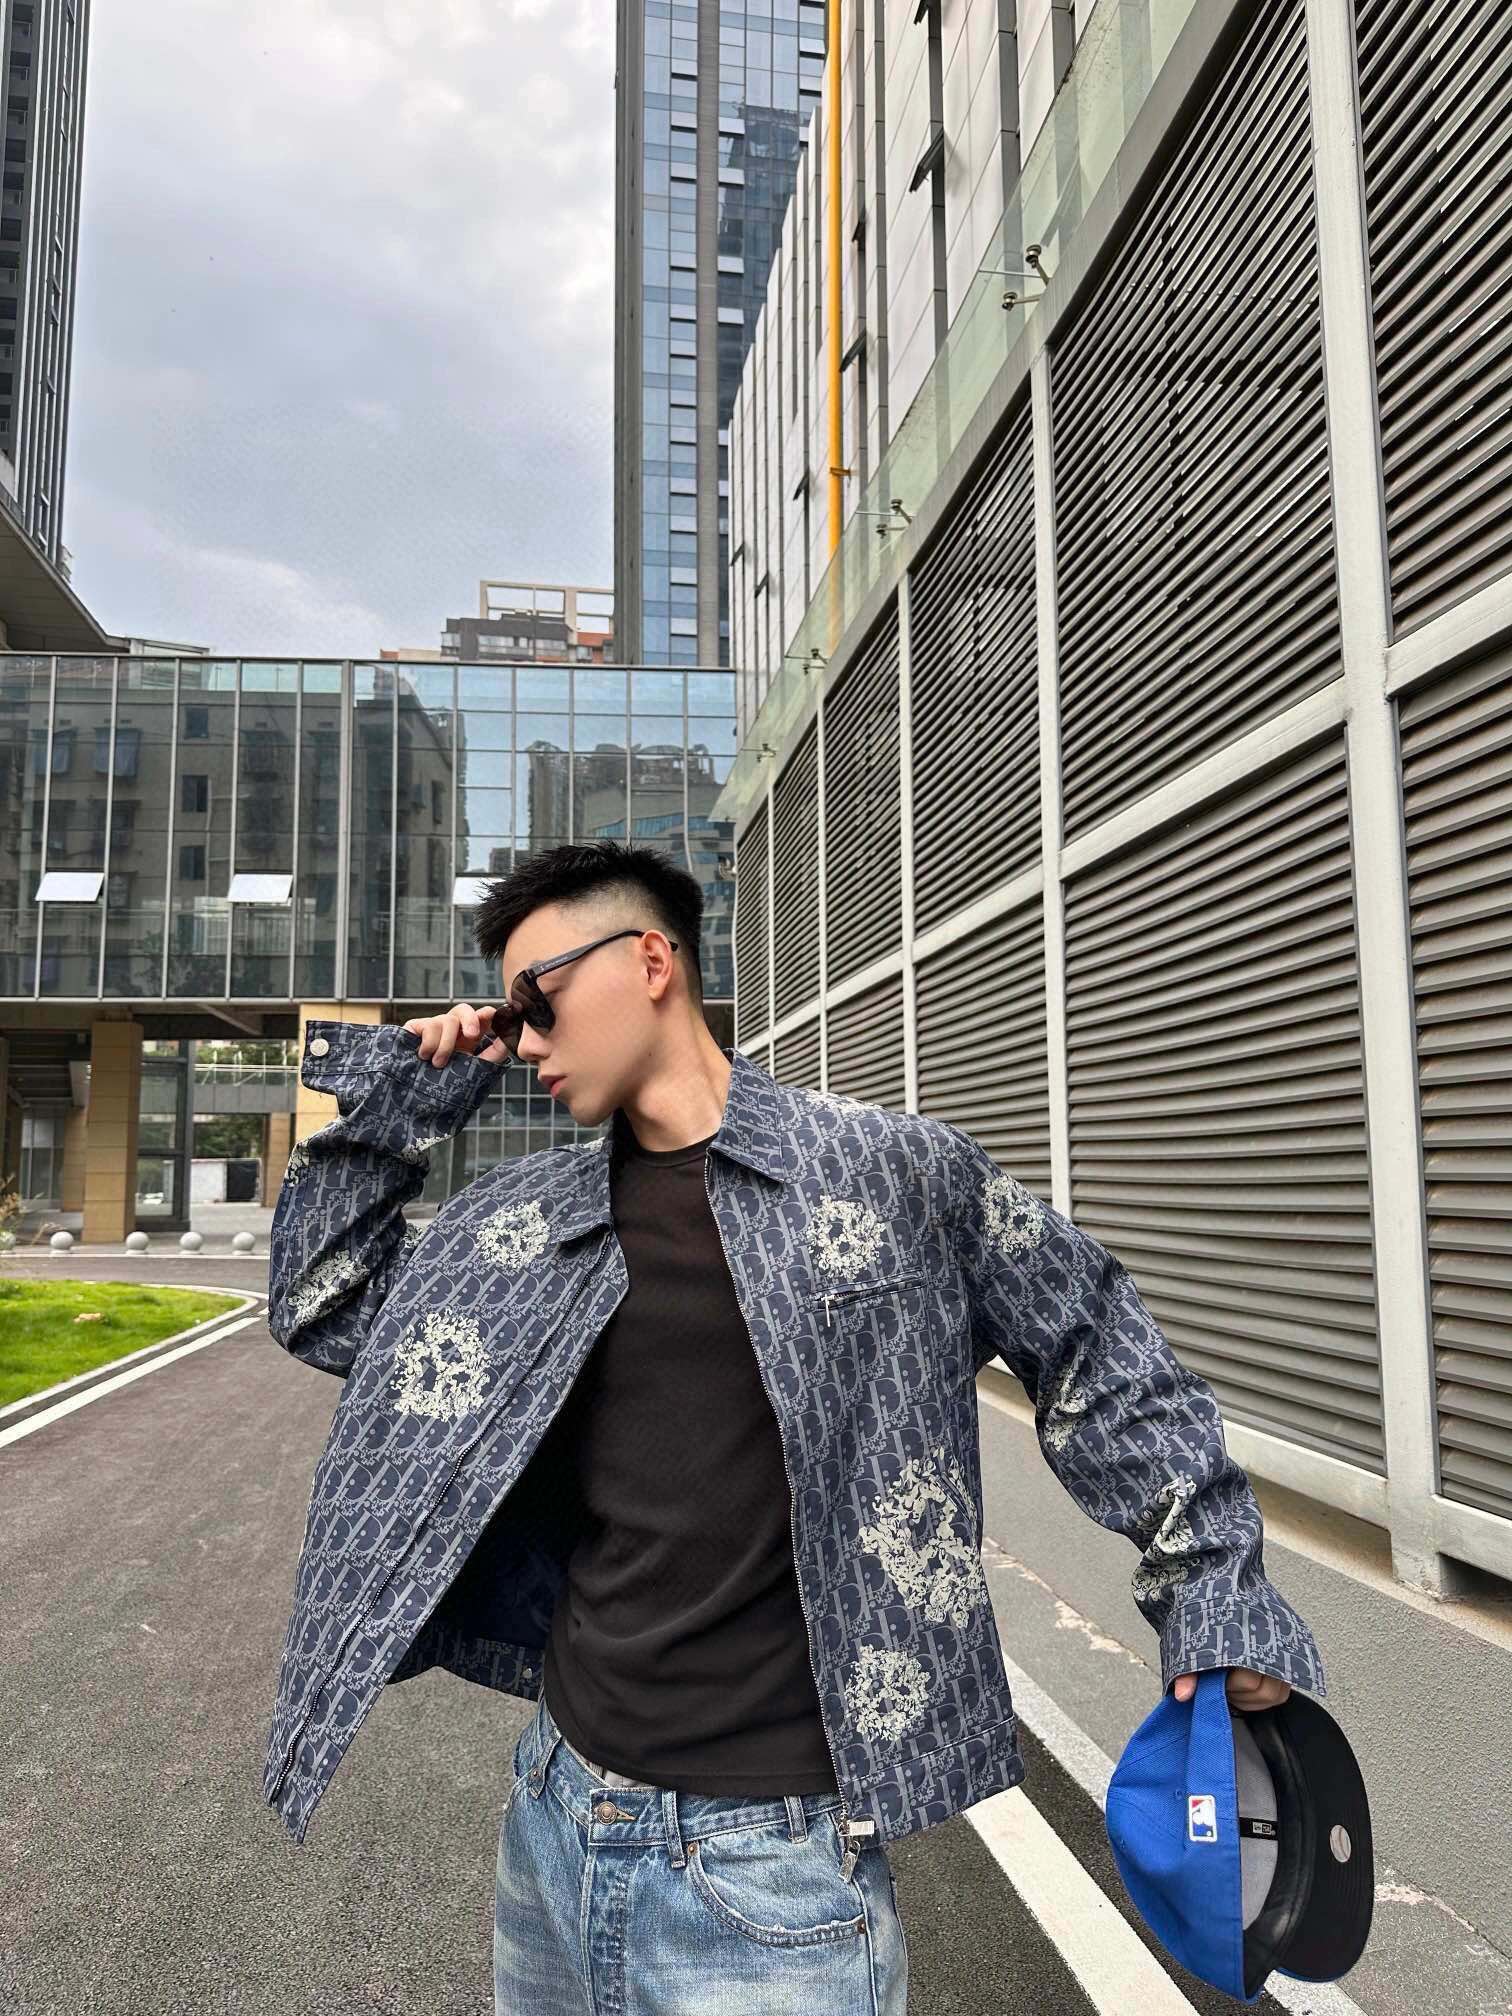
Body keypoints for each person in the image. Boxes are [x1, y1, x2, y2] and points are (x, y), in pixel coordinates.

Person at [264, 840, 1326, 2016]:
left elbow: (1102, 1350)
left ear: (651, 961)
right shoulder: (524, 1223)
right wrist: (405, 1098)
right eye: (505, 1017)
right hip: (557, 1812)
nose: (521, 1040)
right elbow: (325, 1305)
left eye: (537, 998)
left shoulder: (892, 1174)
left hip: (770, 1869)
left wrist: (1214, 1592)